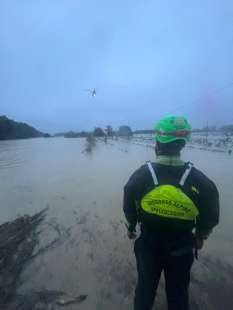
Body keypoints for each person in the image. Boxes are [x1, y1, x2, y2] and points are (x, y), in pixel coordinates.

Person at [123, 115, 219, 310]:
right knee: (178, 294)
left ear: (157, 144)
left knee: (145, 291)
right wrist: (201, 235)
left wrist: (131, 227)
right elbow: (210, 216)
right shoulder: (201, 181)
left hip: (149, 245)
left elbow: (128, 207)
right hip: (182, 247)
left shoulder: (141, 175)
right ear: (182, 145)